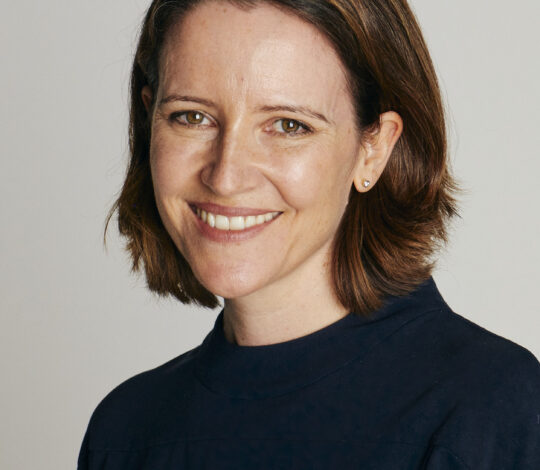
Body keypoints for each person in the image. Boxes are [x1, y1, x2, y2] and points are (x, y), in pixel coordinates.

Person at [78, 0, 540, 468]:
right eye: (192, 116)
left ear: (373, 149)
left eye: (288, 125)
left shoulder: (490, 411)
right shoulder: (126, 430)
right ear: (148, 116)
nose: (225, 175)